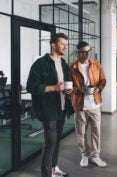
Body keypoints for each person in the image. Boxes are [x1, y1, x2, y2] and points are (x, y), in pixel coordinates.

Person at [26, 33, 74, 177]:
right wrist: (53, 88)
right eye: (62, 44)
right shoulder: (40, 64)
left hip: (62, 107)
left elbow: (67, 84)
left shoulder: (64, 64)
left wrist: (69, 90)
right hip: (48, 108)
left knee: (57, 140)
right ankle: (47, 174)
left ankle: (53, 168)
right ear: (53, 45)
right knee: (50, 142)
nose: (65, 47)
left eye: (66, 44)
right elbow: (31, 87)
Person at [70, 41, 107, 168]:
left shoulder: (96, 64)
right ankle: (84, 155)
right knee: (81, 132)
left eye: (89, 51)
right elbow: (69, 88)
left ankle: (95, 156)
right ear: (78, 52)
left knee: (96, 132)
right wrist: (79, 89)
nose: (87, 54)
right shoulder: (72, 68)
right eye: (84, 52)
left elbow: (103, 80)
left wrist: (99, 89)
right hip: (80, 106)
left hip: (95, 105)